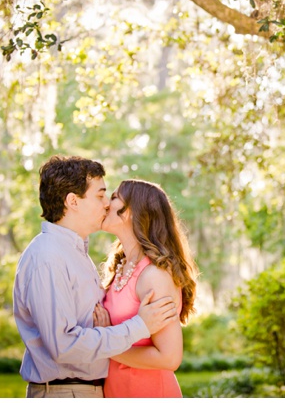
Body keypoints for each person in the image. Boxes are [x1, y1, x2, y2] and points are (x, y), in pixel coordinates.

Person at [13, 155, 179, 398]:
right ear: (73, 201)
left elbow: (170, 355)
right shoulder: (47, 257)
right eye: (100, 195)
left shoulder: (76, 254)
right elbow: (63, 346)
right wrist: (139, 327)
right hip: (66, 392)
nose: (106, 205)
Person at [96, 179, 199, 398]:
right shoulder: (120, 268)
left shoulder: (154, 276)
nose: (105, 203)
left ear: (133, 212)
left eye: (113, 197)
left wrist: (107, 345)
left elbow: (169, 357)